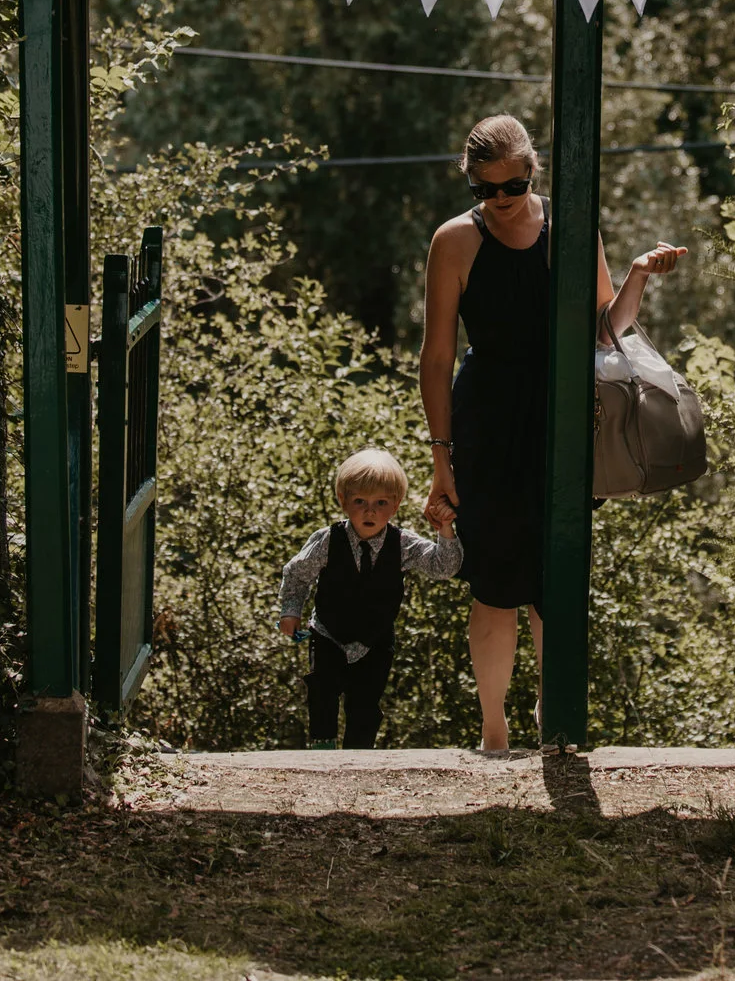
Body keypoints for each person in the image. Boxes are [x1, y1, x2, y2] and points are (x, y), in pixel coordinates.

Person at [418, 114, 685, 753]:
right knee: (493, 582)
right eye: (488, 191)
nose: (504, 201)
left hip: (564, 421)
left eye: (516, 185)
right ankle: (492, 731)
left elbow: (602, 328)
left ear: (533, 171)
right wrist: (439, 457)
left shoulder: (569, 225)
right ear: (473, 186)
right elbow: (436, 357)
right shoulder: (454, 241)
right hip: (486, 423)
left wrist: (639, 274)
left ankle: (552, 719)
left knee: (554, 577)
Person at [277, 448, 462, 750]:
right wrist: (290, 611)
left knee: (365, 702)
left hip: (376, 639)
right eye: (360, 502)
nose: (370, 511)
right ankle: (322, 752)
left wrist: (445, 529)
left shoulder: (402, 543)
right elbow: (297, 573)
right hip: (328, 634)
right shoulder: (328, 540)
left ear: (395, 506)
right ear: (343, 501)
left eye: (380, 503)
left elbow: (443, 568)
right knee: (322, 691)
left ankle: (359, 756)